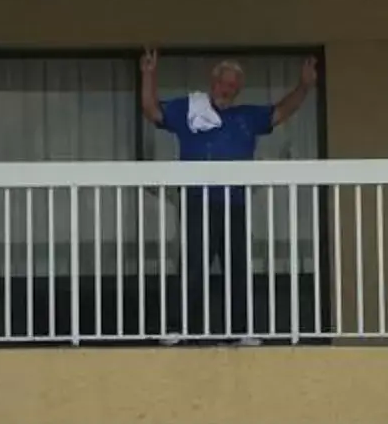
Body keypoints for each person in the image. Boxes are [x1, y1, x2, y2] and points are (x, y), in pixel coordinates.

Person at [137, 50, 319, 338]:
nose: (229, 90)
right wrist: (148, 74)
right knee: (194, 264)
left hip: (235, 202)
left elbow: (281, 111)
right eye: (225, 84)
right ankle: (180, 328)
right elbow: (152, 111)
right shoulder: (191, 110)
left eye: (235, 87)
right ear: (214, 82)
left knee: (237, 266)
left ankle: (241, 329)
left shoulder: (245, 117)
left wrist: (304, 86)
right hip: (198, 200)